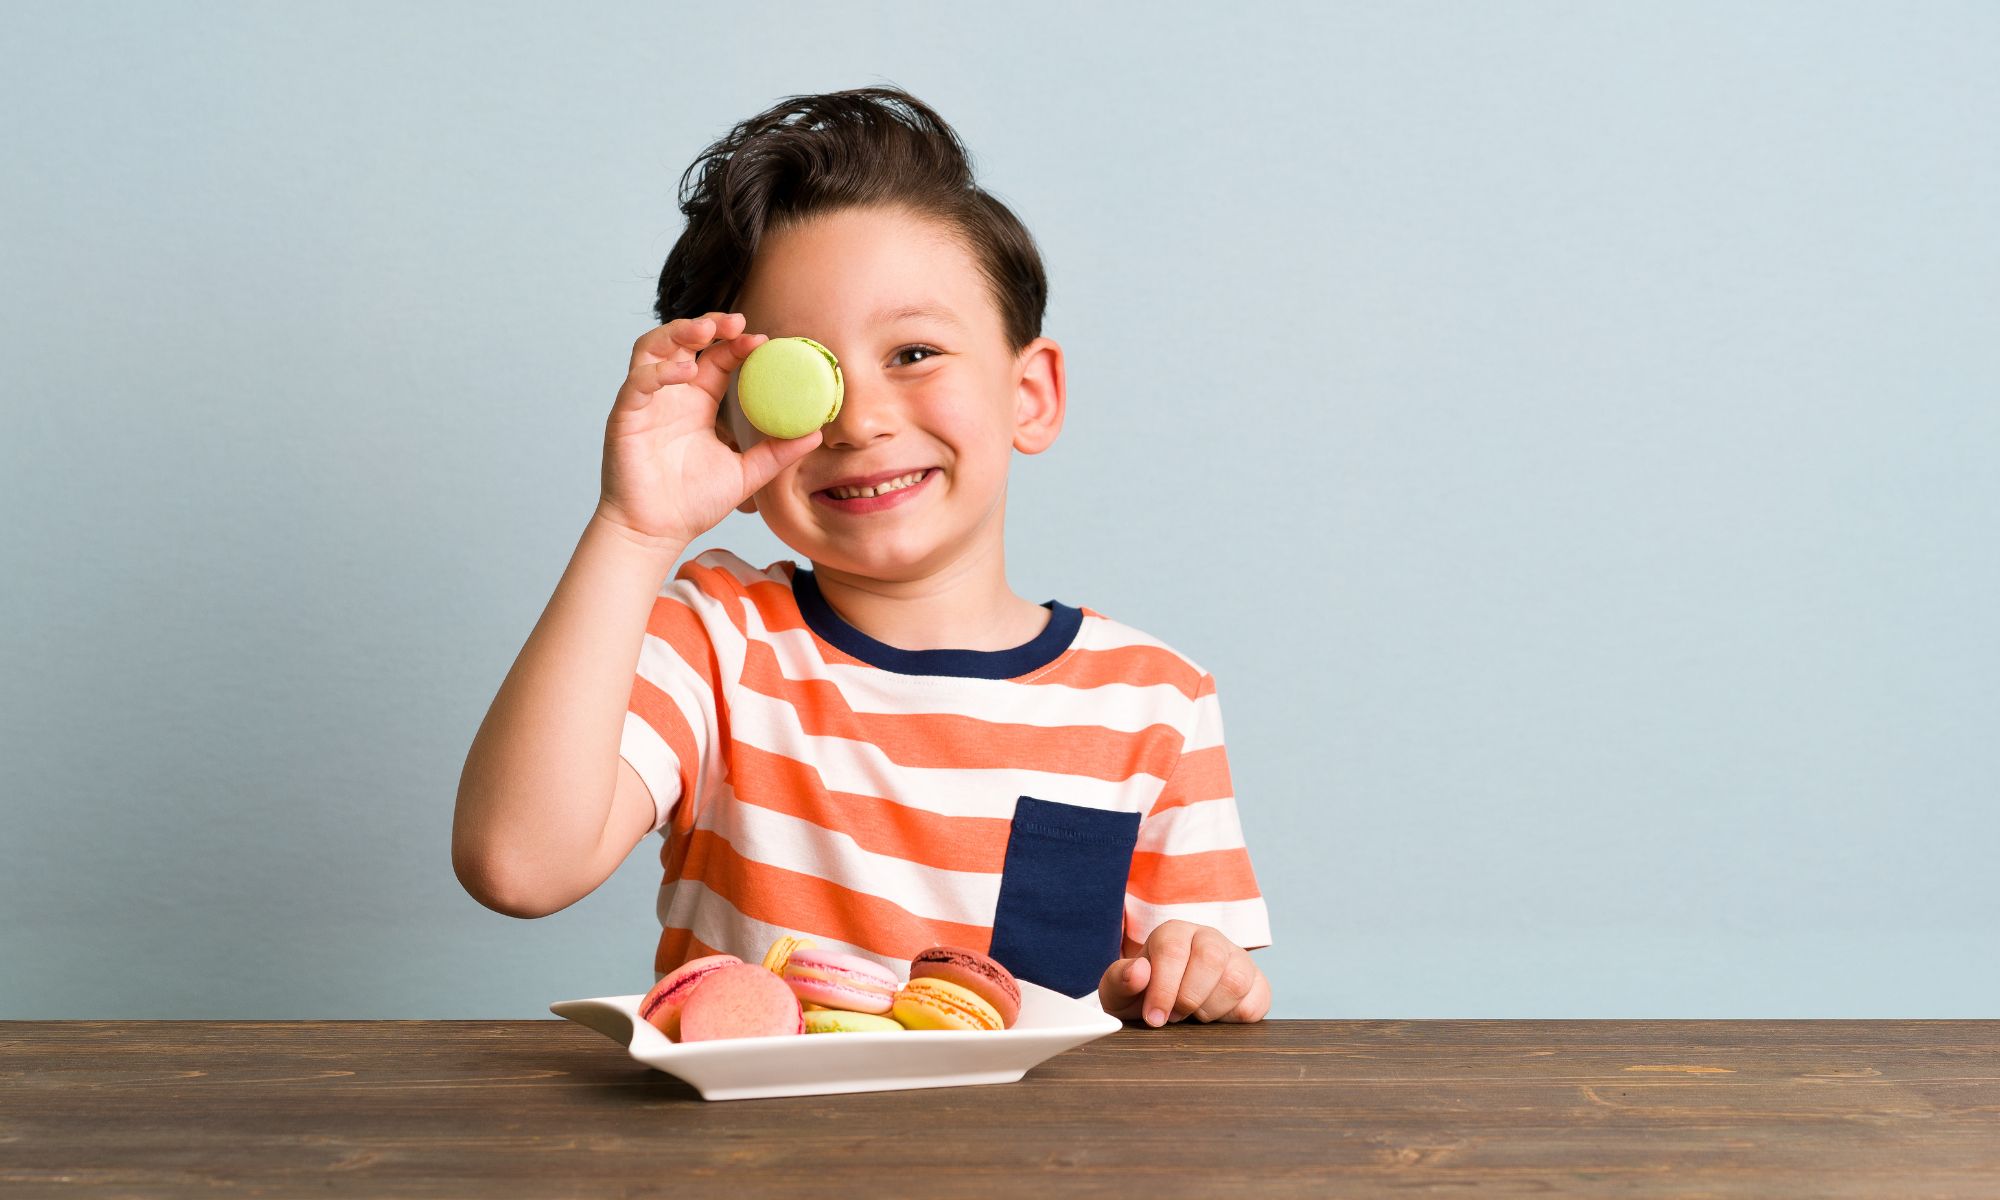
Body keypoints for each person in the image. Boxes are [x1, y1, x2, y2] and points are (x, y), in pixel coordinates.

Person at [453, 85, 1272, 1027]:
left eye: (915, 353)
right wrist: (636, 527)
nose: (858, 420)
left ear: (1031, 394)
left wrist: (1195, 975)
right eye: (800, 380)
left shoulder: (1155, 701)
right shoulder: (717, 642)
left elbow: (1198, 987)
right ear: (735, 440)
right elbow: (516, 867)